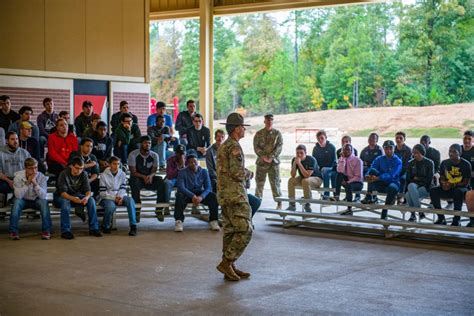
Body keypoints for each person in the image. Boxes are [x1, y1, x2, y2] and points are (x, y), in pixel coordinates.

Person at [216, 113, 252, 282]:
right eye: (243, 126)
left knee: (230, 231)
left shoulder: (223, 146)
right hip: (235, 195)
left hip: (224, 194)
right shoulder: (235, 147)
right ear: (237, 129)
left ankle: (229, 267)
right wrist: (249, 173)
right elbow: (237, 172)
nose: (244, 129)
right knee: (246, 229)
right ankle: (227, 261)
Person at [206, 129, 261, 217]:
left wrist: (247, 174)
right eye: (218, 137)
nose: (220, 139)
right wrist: (248, 174)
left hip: (235, 185)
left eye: (222, 136)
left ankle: (246, 218)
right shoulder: (212, 151)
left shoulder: (229, 147)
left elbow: (236, 166)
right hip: (223, 184)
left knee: (256, 201)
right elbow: (212, 170)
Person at [53, 157, 102, 239]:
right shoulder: (64, 174)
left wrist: (86, 198)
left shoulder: (83, 174)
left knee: (91, 200)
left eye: (81, 168)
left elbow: (88, 190)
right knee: (65, 203)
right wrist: (73, 199)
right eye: (77, 168)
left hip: (77, 195)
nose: (79, 171)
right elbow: (63, 193)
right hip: (61, 196)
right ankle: (66, 230)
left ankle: (94, 228)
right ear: (71, 166)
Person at [174, 150, 220, 232]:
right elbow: (181, 187)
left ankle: (213, 220)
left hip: (199, 193)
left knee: (213, 197)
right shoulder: (182, 172)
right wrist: (192, 196)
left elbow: (208, 187)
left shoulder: (204, 171)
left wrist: (201, 197)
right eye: (190, 162)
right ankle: (179, 221)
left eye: (195, 161)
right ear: (187, 163)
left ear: (197, 161)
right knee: (179, 195)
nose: (193, 163)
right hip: (187, 193)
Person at [128, 136, 169, 222]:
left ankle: (158, 210)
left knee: (161, 182)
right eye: (146, 143)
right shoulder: (133, 154)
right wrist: (143, 177)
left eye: (149, 143)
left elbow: (154, 171)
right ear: (141, 144)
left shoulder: (155, 155)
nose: (148, 145)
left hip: (149, 178)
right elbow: (133, 172)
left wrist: (150, 176)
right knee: (133, 181)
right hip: (138, 178)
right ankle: (137, 210)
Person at [8, 158, 51, 240]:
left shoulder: (41, 177)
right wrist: (27, 183)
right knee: (16, 203)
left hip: (36, 200)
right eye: (31, 168)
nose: (34, 170)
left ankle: (46, 230)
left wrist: (35, 183)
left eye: (36, 167)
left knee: (44, 203)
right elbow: (18, 196)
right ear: (26, 168)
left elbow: (43, 196)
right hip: (22, 199)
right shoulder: (18, 177)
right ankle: (13, 231)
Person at [430, 144, 471, 226]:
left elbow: (466, 182)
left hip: (461, 188)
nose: (451, 153)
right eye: (450, 151)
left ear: (460, 153)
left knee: (457, 192)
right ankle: (441, 218)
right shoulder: (444, 163)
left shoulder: (466, 164)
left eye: (454, 151)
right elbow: (442, 177)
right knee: (433, 190)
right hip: (447, 187)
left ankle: (456, 219)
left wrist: (452, 185)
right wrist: (443, 184)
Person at [362, 140, 402, 220]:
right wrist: (367, 176)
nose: (389, 150)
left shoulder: (398, 161)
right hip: (380, 184)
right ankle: (369, 195)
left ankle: (385, 210)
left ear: (394, 149)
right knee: (372, 171)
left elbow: (391, 175)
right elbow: (372, 168)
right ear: (384, 149)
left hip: (392, 183)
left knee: (392, 187)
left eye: (391, 148)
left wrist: (378, 178)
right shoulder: (379, 159)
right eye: (386, 148)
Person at [99, 156, 137, 236]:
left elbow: (123, 188)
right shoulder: (103, 175)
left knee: (130, 200)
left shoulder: (122, 174)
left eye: (118, 164)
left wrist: (120, 197)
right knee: (111, 207)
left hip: (120, 196)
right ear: (109, 164)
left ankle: (133, 226)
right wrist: (114, 198)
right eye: (114, 164)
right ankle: (105, 225)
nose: (116, 166)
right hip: (107, 197)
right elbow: (102, 193)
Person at [253, 113, 283, 209]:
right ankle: (257, 203)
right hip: (262, 162)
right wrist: (264, 157)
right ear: (264, 121)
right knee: (259, 183)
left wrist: (271, 157)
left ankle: (279, 203)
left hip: (273, 163)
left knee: (275, 183)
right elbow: (256, 147)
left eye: (271, 120)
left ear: (272, 121)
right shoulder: (258, 134)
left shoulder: (277, 134)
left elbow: (279, 147)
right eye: (267, 120)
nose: (269, 122)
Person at [287, 144, 323, 212]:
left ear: (306, 153)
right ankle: (292, 205)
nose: (299, 155)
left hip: (317, 179)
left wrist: (299, 164)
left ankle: (307, 204)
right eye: (297, 153)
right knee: (291, 180)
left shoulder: (311, 159)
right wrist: (295, 163)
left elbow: (307, 175)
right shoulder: (295, 159)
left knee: (305, 181)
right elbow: (293, 175)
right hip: (304, 178)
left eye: (301, 153)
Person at [331, 144, 363, 215]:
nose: (346, 151)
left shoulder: (358, 160)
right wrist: (342, 159)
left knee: (348, 186)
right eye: (344, 149)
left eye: (348, 149)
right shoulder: (341, 159)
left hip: (357, 182)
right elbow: (340, 171)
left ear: (352, 151)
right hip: (347, 180)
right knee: (338, 174)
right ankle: (337, 195)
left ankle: (349, 209)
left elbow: (358, 177)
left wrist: (348, 182)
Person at [405, 144, 434, 222]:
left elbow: (429, 179)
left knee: (408, 194)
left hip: (426, 187)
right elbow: (408, 178)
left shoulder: (429, 162)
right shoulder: (410, 163)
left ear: (422, 153)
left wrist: (417, 178)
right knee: (410, 187)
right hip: (414, 186)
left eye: (417, 153)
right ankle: (420, 212)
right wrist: (418, 180)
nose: (415, 155)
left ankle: (413, 215)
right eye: (414, 153)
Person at [0, 132, 31, 198]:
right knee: (2, 186)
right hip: (6, 179)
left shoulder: (25, 153)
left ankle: (15, 198)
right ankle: (3, 199)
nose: (15, 141)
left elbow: (31, 169)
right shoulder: (1, 153)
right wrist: (9, 181)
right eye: (12, 139)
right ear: (7, 141)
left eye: (17, 139)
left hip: (21, 179)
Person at [312, 130, 337, 199]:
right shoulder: (315, 149)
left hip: (331, 168)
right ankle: (323, 194)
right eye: (318, 139)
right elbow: (314, 162)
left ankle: (328, 194)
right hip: (320, 169)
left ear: (326, 137)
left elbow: (333, 162)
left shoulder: (331, 147)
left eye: (322, 138)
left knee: (325, 171)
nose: (320, 140)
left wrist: (322, 168)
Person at [394, 131, 412, 204]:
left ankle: (400, 196)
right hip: (395, 170)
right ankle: (392, 195)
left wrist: (399, 172)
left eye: (400, 138)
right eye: (397, 138)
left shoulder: (408, 150)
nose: (398, 140)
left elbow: (407, 164)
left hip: (405, 170)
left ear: (404, 139)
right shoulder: (393, 149)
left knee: (403, 178)